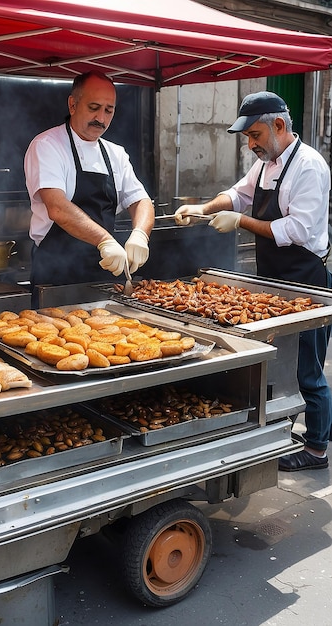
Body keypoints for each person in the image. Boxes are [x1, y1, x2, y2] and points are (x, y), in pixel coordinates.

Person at [175, 90, 332, 471]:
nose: (250, 145)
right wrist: (203, 208)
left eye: (255, 135)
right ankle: (293, 429)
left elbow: (296, 229)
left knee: (309, 371)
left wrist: (241, 223)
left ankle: (316, 450)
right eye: (247, 137)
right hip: (273, 281)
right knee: (280, 366)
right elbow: (238, 194)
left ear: (279, 126)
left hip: (306, 281)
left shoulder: (309, 167)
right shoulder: (266, 163)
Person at [24, 71, 154, 305]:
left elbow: (141, 200)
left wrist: (140, 234)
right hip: (57, 273)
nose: (101, 118)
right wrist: (105, 240)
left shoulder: (116, 154)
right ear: (72, 105)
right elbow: (58, 208)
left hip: (105, 271)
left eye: (109, 110)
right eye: (94, 107)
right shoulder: (47, 146)